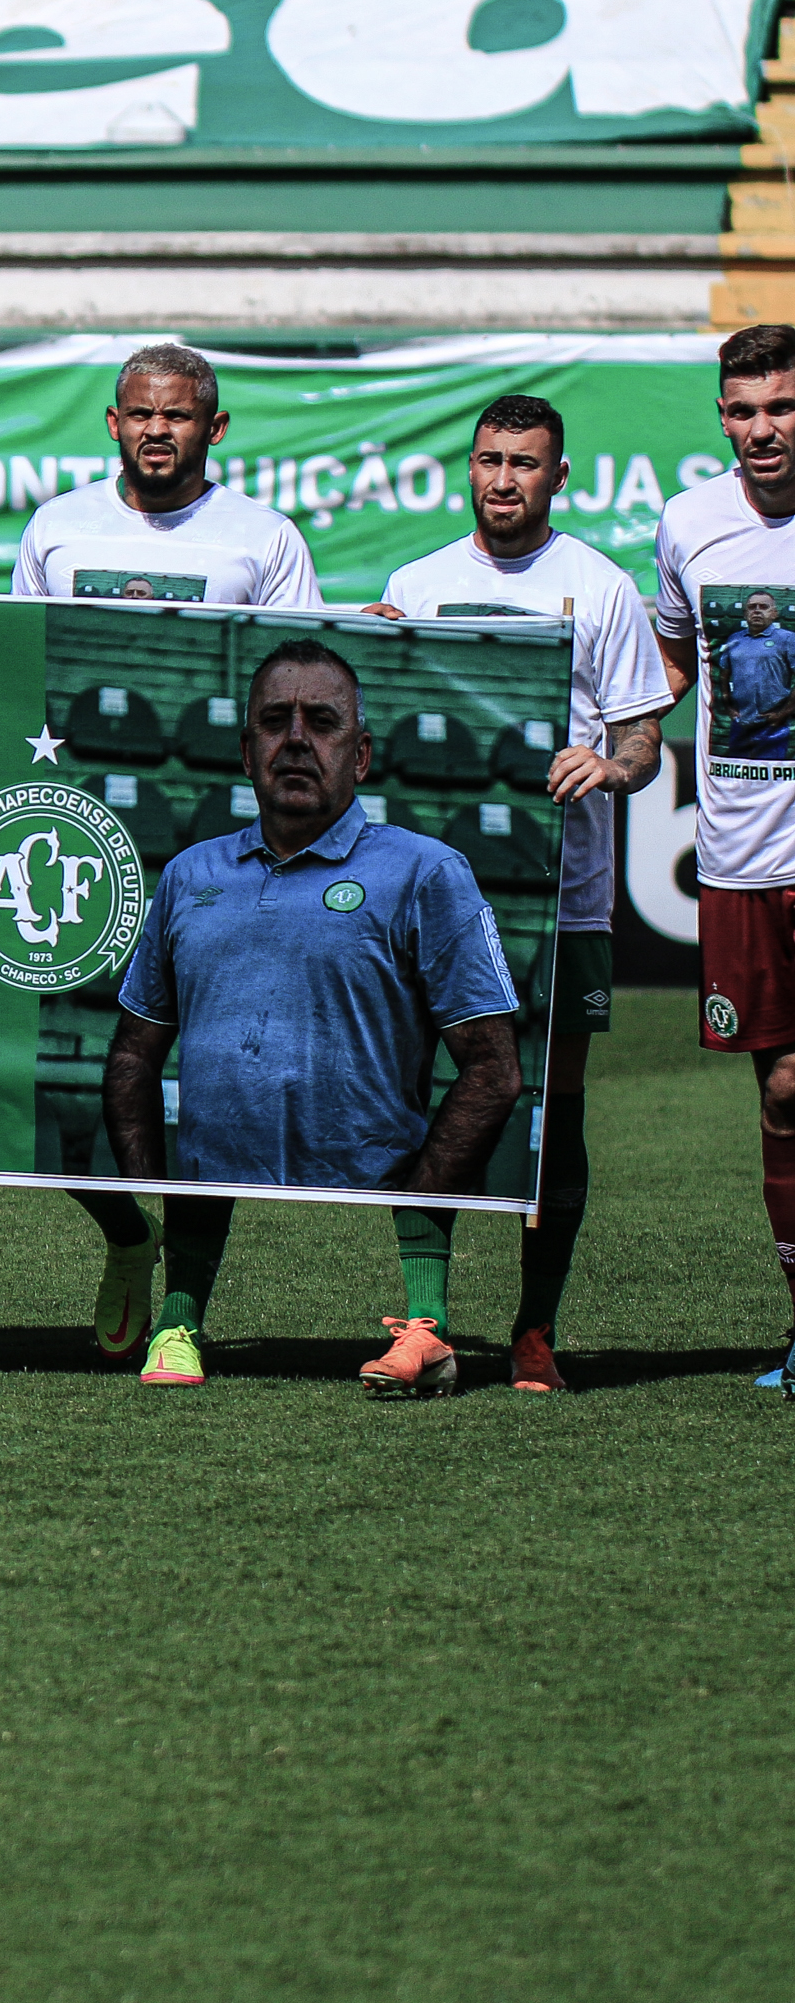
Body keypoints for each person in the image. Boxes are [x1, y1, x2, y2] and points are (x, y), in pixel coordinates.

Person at [105, 640, 524, 1392]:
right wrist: (144, 1206)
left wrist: (421, 1185)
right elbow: (135, 1050)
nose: (296, 738)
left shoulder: (426, 871)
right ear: (245, 751)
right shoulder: (190, 874)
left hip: (380, 1158)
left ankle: (426, 1324)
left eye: (321, 722)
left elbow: (494, 1069)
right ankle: (179, 1316)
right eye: (276, 720)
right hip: (213, 1165)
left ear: (360, 754)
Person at [367, 393, 667, 1392]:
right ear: (468, 466)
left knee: (551, 1108)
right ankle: (423, 1319)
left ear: (557, 476)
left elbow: (639, 736)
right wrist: (363, 654)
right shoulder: (414, 584)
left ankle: (535, 1325)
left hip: (561, 897)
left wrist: (609, 767)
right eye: (488, 460)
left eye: (524, 463)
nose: (503, 479)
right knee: (426, 1101)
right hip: (432, 897)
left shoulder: (600, 586)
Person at [648, 322, 795, 1392]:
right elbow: (665, 655)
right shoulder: (686, 525)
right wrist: (616, 732)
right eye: (741, 410)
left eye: (780, 407)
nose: (760, 429)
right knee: (782, 1089)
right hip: (740, 857)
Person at [10, 344, 322, 608]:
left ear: (215, 428)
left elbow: (300, 664)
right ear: (115, 423)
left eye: (177, 416)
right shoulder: (53, 524)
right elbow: (21, 654)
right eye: (140, 415)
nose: (156, 430)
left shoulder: (268, 537)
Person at [715, 590, 795, 760]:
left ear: (774, 613)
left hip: (773, 724)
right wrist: (729, 707)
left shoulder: (788, 639)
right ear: (745, 613)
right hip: (742, 722)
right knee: (737, 774)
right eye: (752, 607)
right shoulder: (734, 640)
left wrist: (782, 714)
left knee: (771, 775)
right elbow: (723, 675)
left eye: (763, 607)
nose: (757, 611)